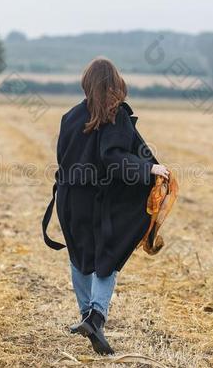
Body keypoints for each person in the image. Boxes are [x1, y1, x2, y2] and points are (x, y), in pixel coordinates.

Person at [42, 57, 169, 355]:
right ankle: (96, 315)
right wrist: (149, 170)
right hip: (97, 200)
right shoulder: (116, 115)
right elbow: (112, 157)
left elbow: (63, 158)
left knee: (79, 256)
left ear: (87, 82)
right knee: (107, 255)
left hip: (68, 198)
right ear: (115, 83)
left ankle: (86, 316)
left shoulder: (70, 116)